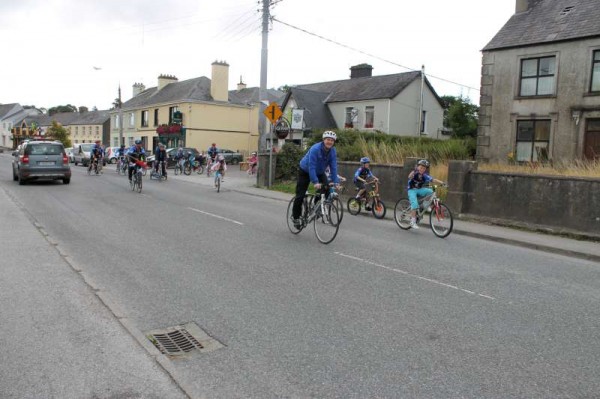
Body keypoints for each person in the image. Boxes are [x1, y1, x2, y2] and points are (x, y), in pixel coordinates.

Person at [291, 131, 340, 228]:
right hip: (305, 170)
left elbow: (333, 167)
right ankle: (296, 217)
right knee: (300, 196)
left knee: (327, 190)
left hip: (320, 172)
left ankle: (317, 207)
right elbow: (311, 166)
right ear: (323, 140)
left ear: (333, 142)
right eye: (327, 140)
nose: (329, 142)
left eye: (331, 140)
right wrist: (315, 182)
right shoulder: (315, 149)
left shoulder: (333, 151)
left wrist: (336, 182)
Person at [407, 159, 445, 229]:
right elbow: (409, 176)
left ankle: (425, 205)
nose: (422, 169)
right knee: (414, 204)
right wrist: (412, 174)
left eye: (424, 168)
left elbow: (433, 180)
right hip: (412, 190)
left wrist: (442, 183)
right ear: (418, 167)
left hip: (419, 189)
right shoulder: (414, 172)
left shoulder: (424, 175)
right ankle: (412, 221)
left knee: (431, 191)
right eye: (421, 167)